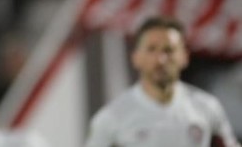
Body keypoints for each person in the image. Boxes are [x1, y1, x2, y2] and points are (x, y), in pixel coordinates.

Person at [85, 15, 240, 147]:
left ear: (184, 57)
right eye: (151, 49)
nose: (160, 60)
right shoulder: (112, 117)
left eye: (169, 50)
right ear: (136, 58)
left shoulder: (206, 108)